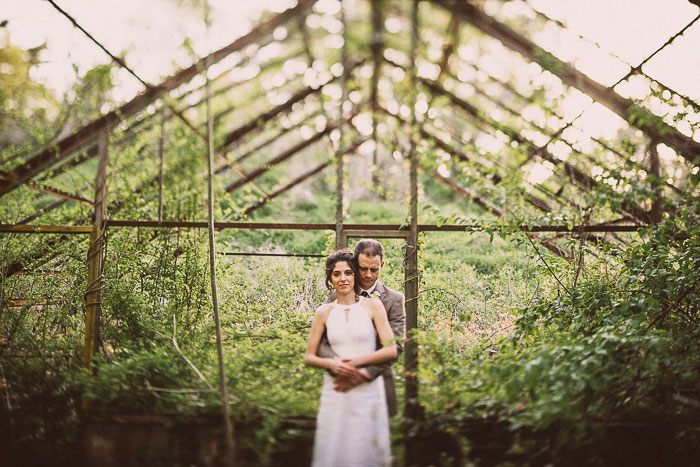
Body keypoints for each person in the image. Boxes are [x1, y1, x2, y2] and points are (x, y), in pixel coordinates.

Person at [305, 249, 397, 467]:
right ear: (330, 279)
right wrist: (332, 364)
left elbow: (390, 350)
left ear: (354, 275)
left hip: (367, 389)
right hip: (336, 387)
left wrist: (355, 363)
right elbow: (310, 355)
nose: (343, 278)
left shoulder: (373, 306)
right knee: (334, 446)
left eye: (348, 273)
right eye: (337, 274)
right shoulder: (323, 312)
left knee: (366, 446)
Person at [318, 239, 406, 417]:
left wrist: (364, 373)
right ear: (355, 263)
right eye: (362, 268)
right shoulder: (336, 295)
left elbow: (395, 346)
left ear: (382, 264)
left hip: (377, 380)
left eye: (374, 269)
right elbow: (321, 341)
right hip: (340, 381)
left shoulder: (394, 300)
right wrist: (341, 367)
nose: (367, 275)